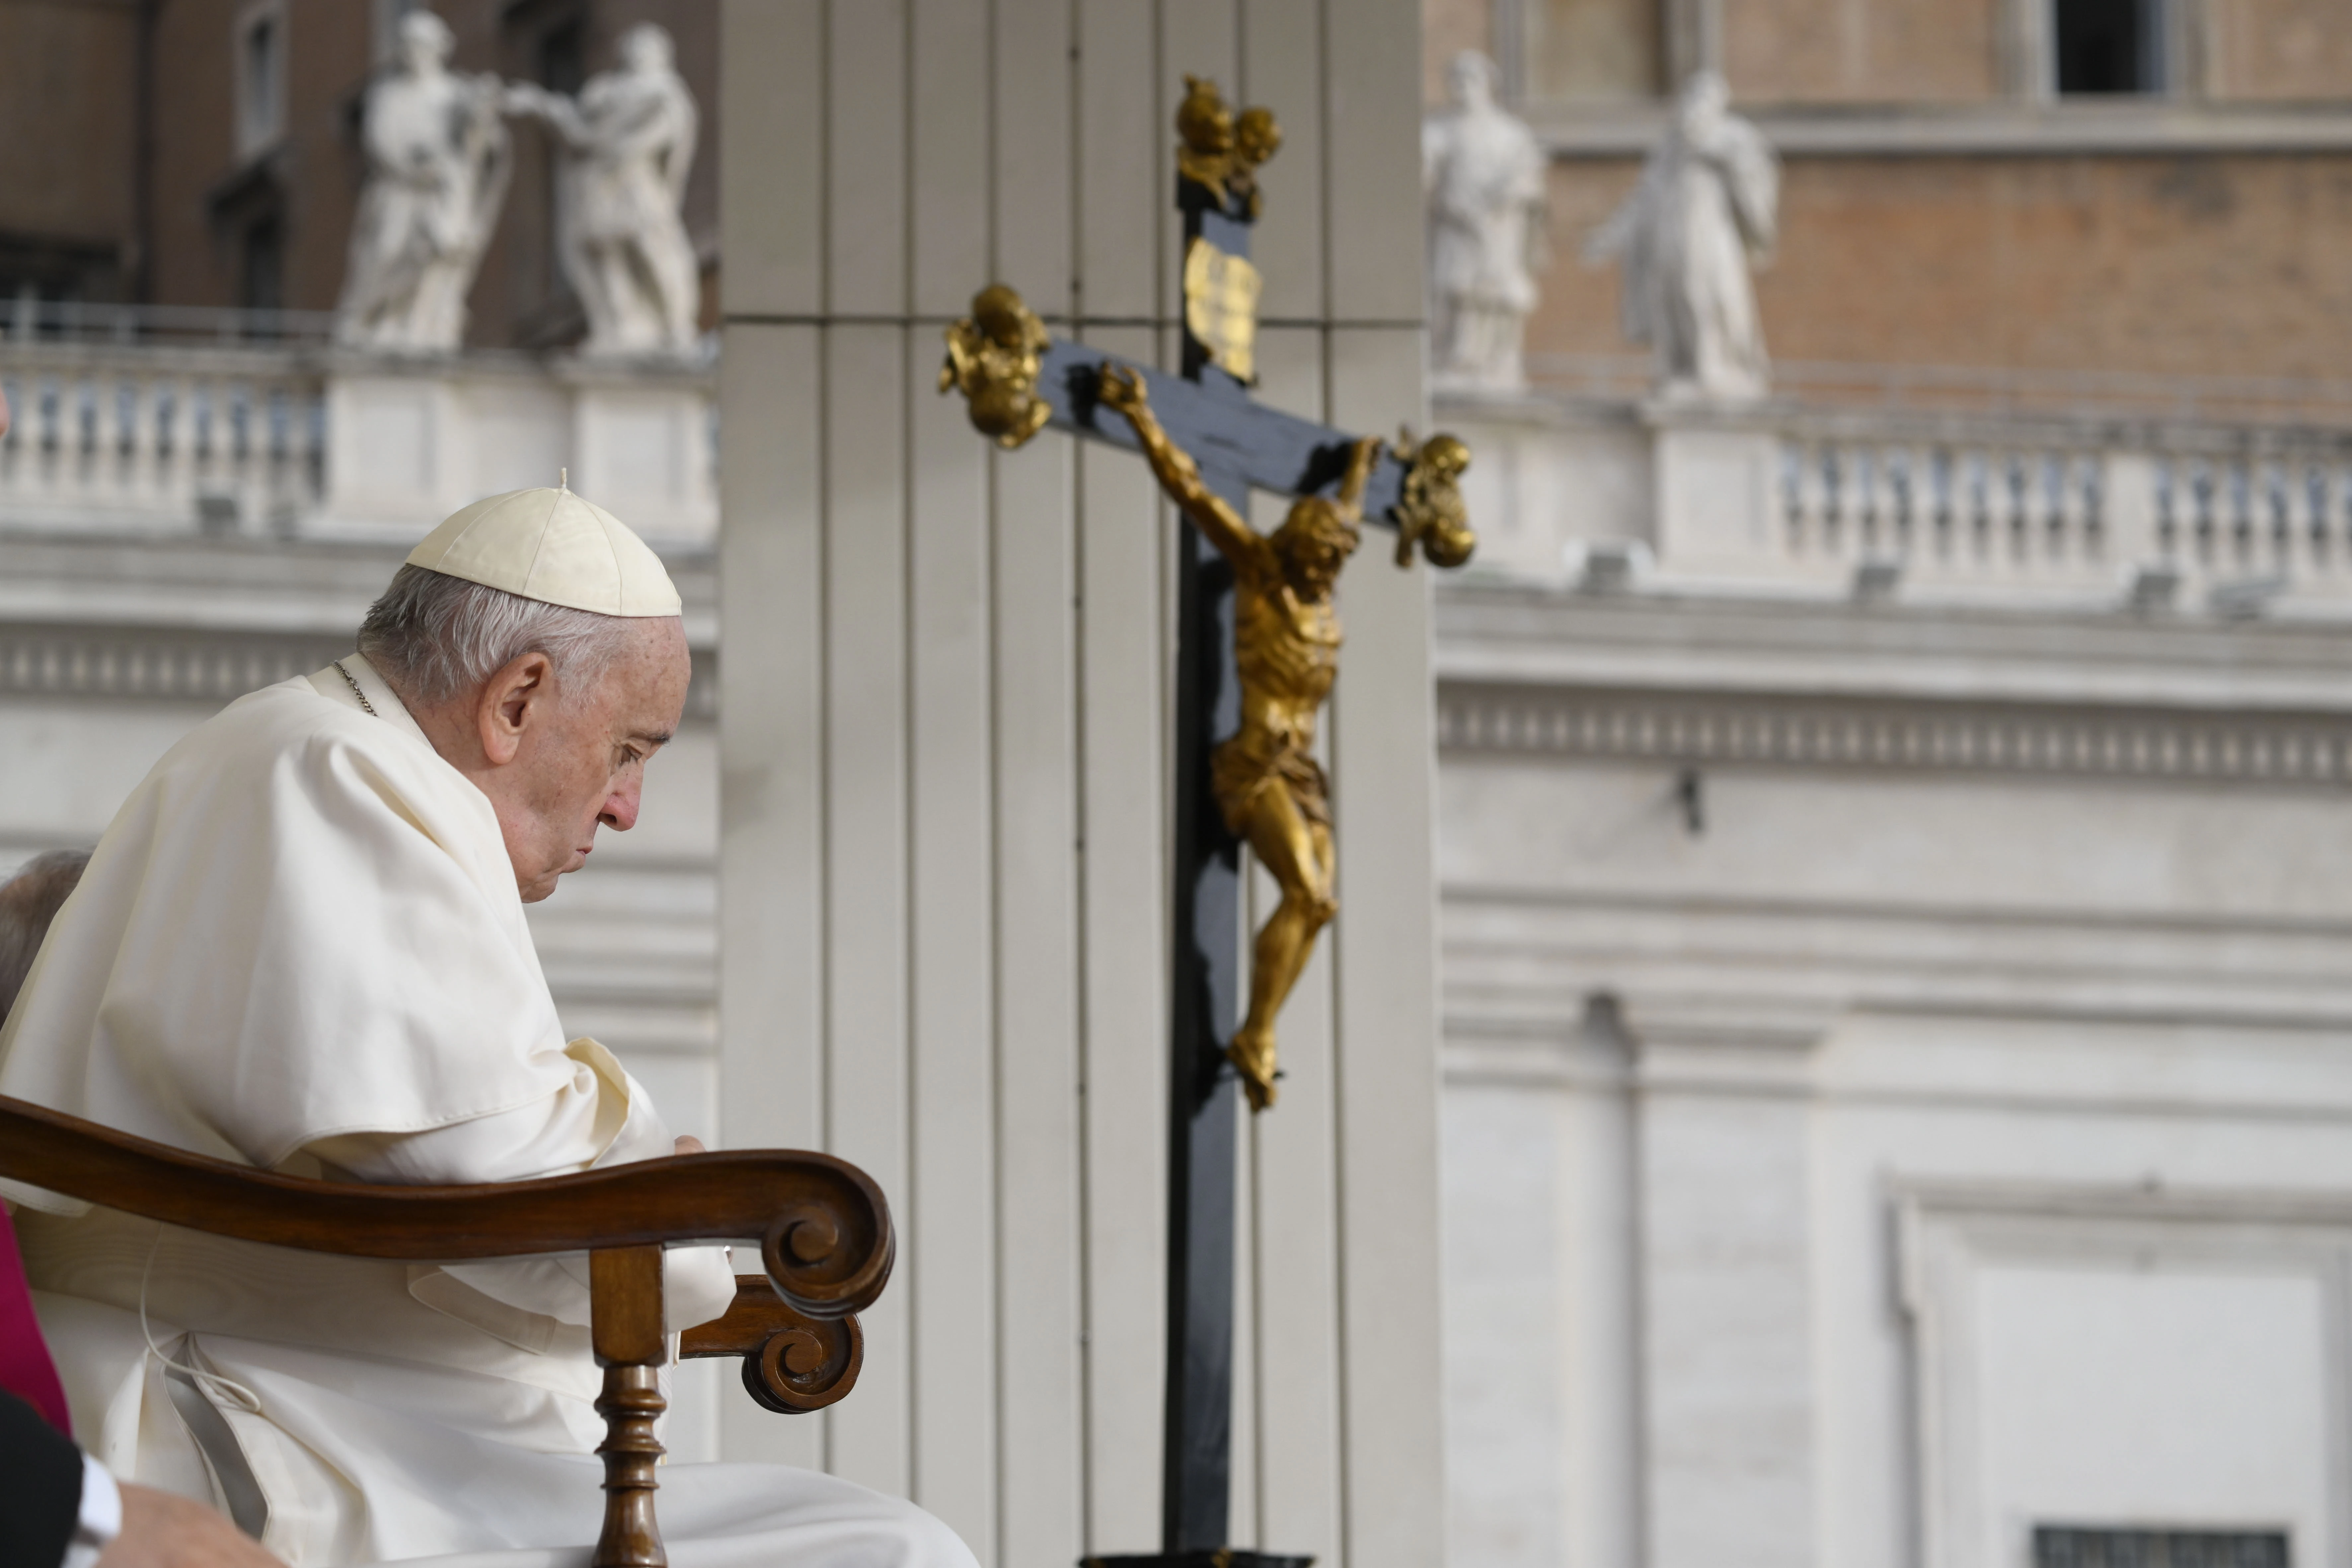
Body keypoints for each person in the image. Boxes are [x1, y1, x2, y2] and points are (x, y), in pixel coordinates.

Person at [0, 484, 977, 1566]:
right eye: (628, 750)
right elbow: (486, 1168)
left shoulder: (326, 754)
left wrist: (649, 1191)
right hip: (253, 1417)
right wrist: (679, 1208)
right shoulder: (332, 769)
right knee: (892, 1549)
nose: (627, 807)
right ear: (516, 698)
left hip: (355, 1399)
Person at [1096, 361, 1381, 1112]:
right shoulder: (1261, 574)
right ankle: (1257, 1034)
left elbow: (1348, 515)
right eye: (1320, 556)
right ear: (1296, 547)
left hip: (1302, 770)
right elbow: (1191, 490)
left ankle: (1259, 1031)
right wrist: (1140, 416)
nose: (1328, 568)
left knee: (1321, 905)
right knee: (1306, 891)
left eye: (1336, 560)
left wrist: (1357, 469)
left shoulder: (1322, 592)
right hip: (1253, 763)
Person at [1585, 69, 1779, 402]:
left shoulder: (1732, 137)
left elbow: (1756, 174)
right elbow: (1644, 197)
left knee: (1706, 293)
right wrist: (1610, 236)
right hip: (1672, 229)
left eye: (1704, 99)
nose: (1695, 106)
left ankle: (1714, 365)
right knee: (1672, 295)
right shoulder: (1671, 146)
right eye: (1692, 98)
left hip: (1710, 231)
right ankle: (1684, 367)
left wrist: (1723, 155)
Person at [510, 24, 701, 358]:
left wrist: (616, 149)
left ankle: (675, 323)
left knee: (649, 247)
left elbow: (663, 138)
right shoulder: (606, 90)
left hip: (636, 184)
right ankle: (622, 326)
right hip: (600, 186)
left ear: (662, 55)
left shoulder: (665, 93)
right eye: (634, 47)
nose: (638, 54)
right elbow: (580, 132)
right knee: (604, 252)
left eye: (646, 48)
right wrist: (541, 105)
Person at [335, 10, 514, 352]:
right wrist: (414, 169)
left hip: (442, 194)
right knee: (387, 252)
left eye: (422, 45)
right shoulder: (388, 94)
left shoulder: (456, 93)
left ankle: (422, 324)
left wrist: (482, 115)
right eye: (409, 46)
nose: (415, 52)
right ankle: (373, 321)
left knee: (435, 253)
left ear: (439, 49)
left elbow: (477, 144)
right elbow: (379, 141)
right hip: (398, 191)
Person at [1422, 50, 1550, 391]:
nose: (1463, 87)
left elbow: (1529, 179)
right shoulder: (1440, 130)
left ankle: (1495, 362)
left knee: (1494, 294)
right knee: (1453, 289)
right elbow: (1425, 172)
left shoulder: (1512, 134)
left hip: (1499, 226)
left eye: (1471, 79)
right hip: (1454, 222)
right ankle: (1453, 358)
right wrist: (1445, 199)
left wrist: (1507, 196)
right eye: (1457, 80)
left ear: (1488, 84)